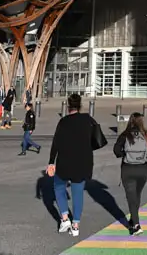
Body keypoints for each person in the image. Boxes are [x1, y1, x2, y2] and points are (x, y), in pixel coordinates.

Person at [47, 93, 106, 236]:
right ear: (80, 106)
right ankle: (76, 225)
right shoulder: (88, 120)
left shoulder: (63, 122)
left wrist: (51, 163)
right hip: (83, 162)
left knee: (59, 186)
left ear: (68, 106)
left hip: (65, 162)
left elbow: (56, 143)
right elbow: (97, 137)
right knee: (78, 192)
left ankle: (65, 218)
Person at [113, 113, 147, 235]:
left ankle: (136, 225)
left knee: (131, 196)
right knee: (136, 195)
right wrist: (144, 154)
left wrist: (126, 155)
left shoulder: (125, 134)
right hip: (143, 169)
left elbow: (116, 150)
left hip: (128, 169)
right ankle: (134, 219)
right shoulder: (146, 134)